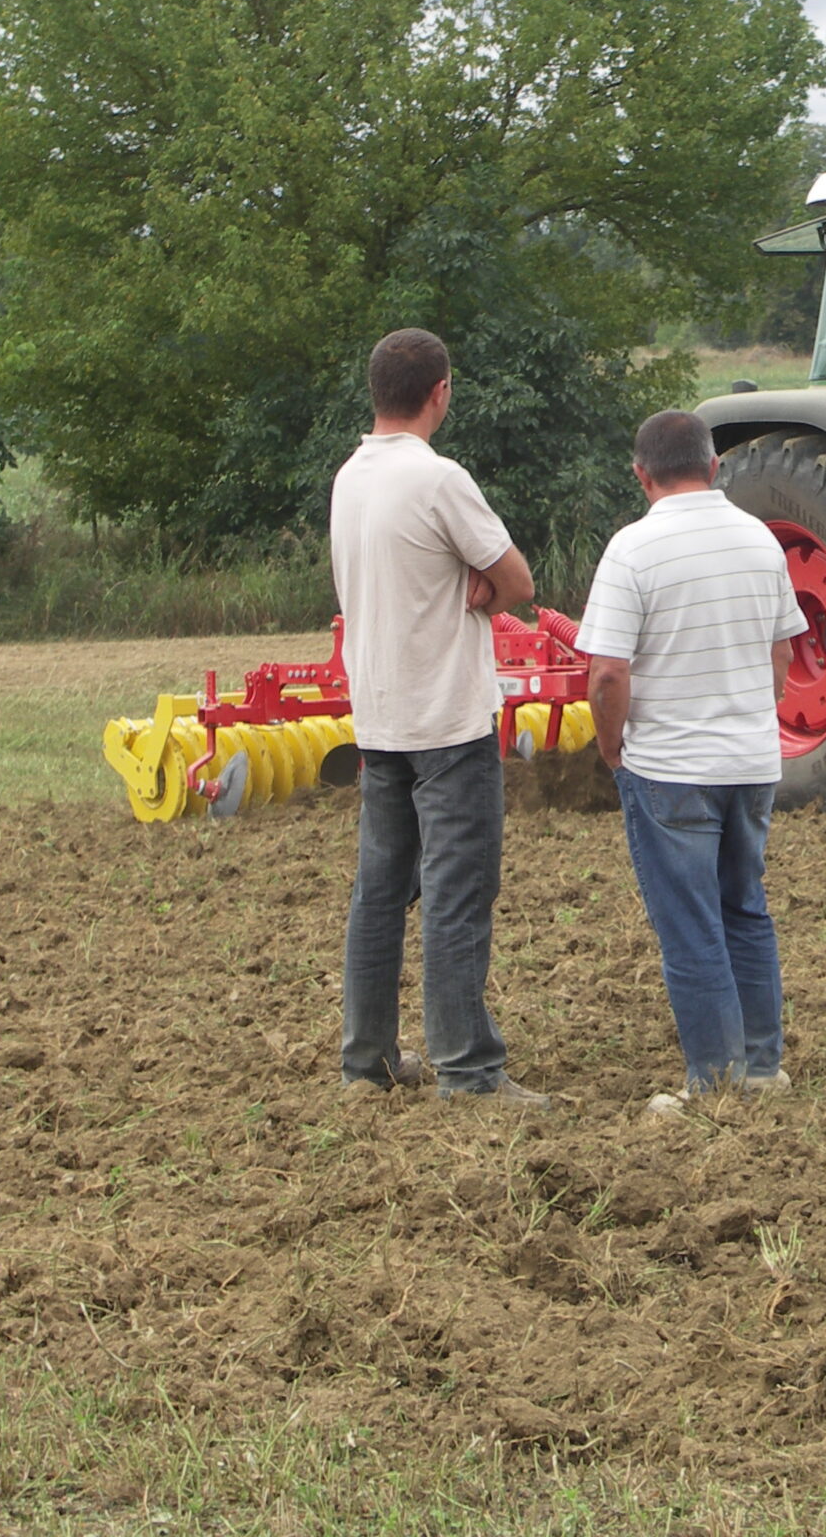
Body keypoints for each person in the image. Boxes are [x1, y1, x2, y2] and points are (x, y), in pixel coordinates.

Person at [330, 328, 546, 1105]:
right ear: (441, 394)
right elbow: (516, 578)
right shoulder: (438, 478)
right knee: (458, 891)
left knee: (381, 889)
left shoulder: (349, 477)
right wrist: (486, 587)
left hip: (378, 715)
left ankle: (368, 1061)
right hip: (448, 720)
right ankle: (469, 1069)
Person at [577, 410, 806, 1104]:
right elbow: (782, 650)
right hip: (750, 762)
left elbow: (609, 673)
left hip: (671, 768)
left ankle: (714, 1080)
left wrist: (611, 742)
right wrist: (752, 718)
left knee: (691, 925)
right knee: (745, 910)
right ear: (714, 467)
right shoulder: (761, 542)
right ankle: (762, 1068)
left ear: (641, 476)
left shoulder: (632, 549)